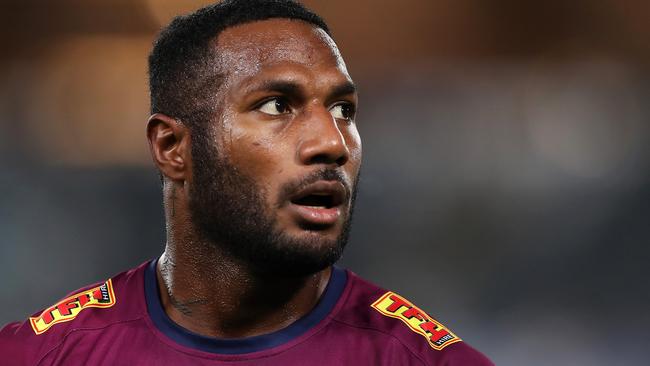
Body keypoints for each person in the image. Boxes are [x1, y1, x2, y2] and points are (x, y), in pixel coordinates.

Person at [0, 1, 493, 364]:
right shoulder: (42, 355)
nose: (333, 142)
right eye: (278, 105)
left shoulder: (425, 360)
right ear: (173, 148)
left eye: (343, 110)